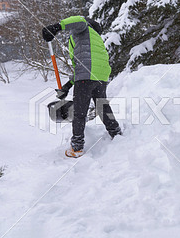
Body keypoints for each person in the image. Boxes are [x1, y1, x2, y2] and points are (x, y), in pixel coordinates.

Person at [42, 16, 122, 158]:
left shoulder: (84, 28)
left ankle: (77, 147)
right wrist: (67, 86)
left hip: (87, 76)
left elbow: (79, 20)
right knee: (102, 106)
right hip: (100, 76)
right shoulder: (95, 40)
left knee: (79, 112)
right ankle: (116, 132)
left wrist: (56, 27)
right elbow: (80, 66)